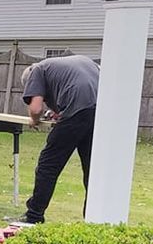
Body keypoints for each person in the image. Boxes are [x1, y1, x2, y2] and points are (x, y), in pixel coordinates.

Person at [18, 53, 100, 223]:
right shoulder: (80, 61)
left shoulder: (36, 70)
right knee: (92, 170)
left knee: (48, 165)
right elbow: (74, 87)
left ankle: (34, 216)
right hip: (101, 113)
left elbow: (35, 109)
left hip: (78, 112)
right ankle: (93, 219)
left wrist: (34, 121)